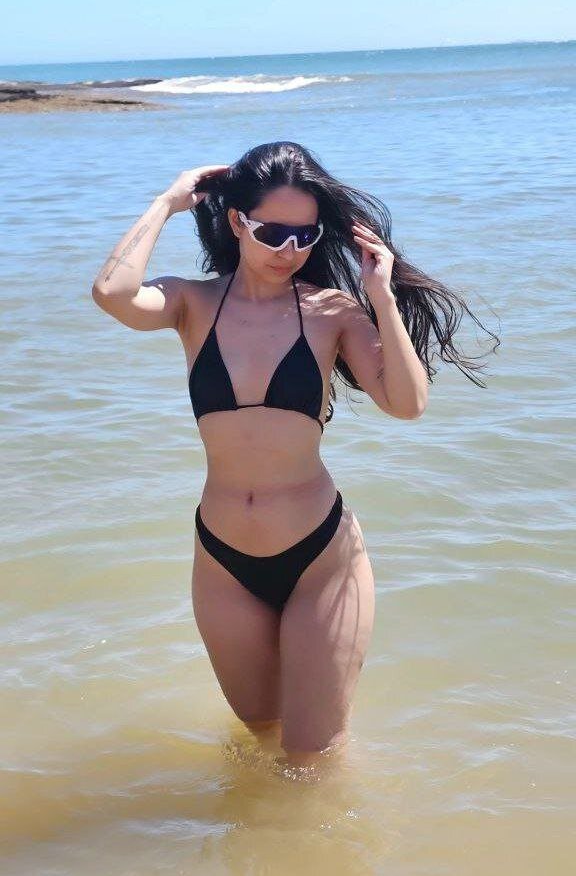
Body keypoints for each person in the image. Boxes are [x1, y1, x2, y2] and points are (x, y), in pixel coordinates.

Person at [91, 141, 499, 771]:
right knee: (259, 736)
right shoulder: (192, 303)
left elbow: (407, 403)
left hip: (320, 559)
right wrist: (168, 202)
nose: (289, 249)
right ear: (237, 221)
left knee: (312, 758)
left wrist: (382, 297)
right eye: (272, 232)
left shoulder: (332, 311)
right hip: (223, 563)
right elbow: (112, 293)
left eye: (305, 235)